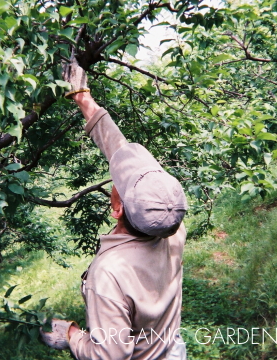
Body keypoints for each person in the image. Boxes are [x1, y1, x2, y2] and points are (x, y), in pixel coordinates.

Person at [40, 57, 188, 360]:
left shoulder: (109, 273)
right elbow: (121, 152)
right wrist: (83, 99)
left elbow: (111, 355)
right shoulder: (171, 224)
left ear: (116, 205)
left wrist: (71, 335)